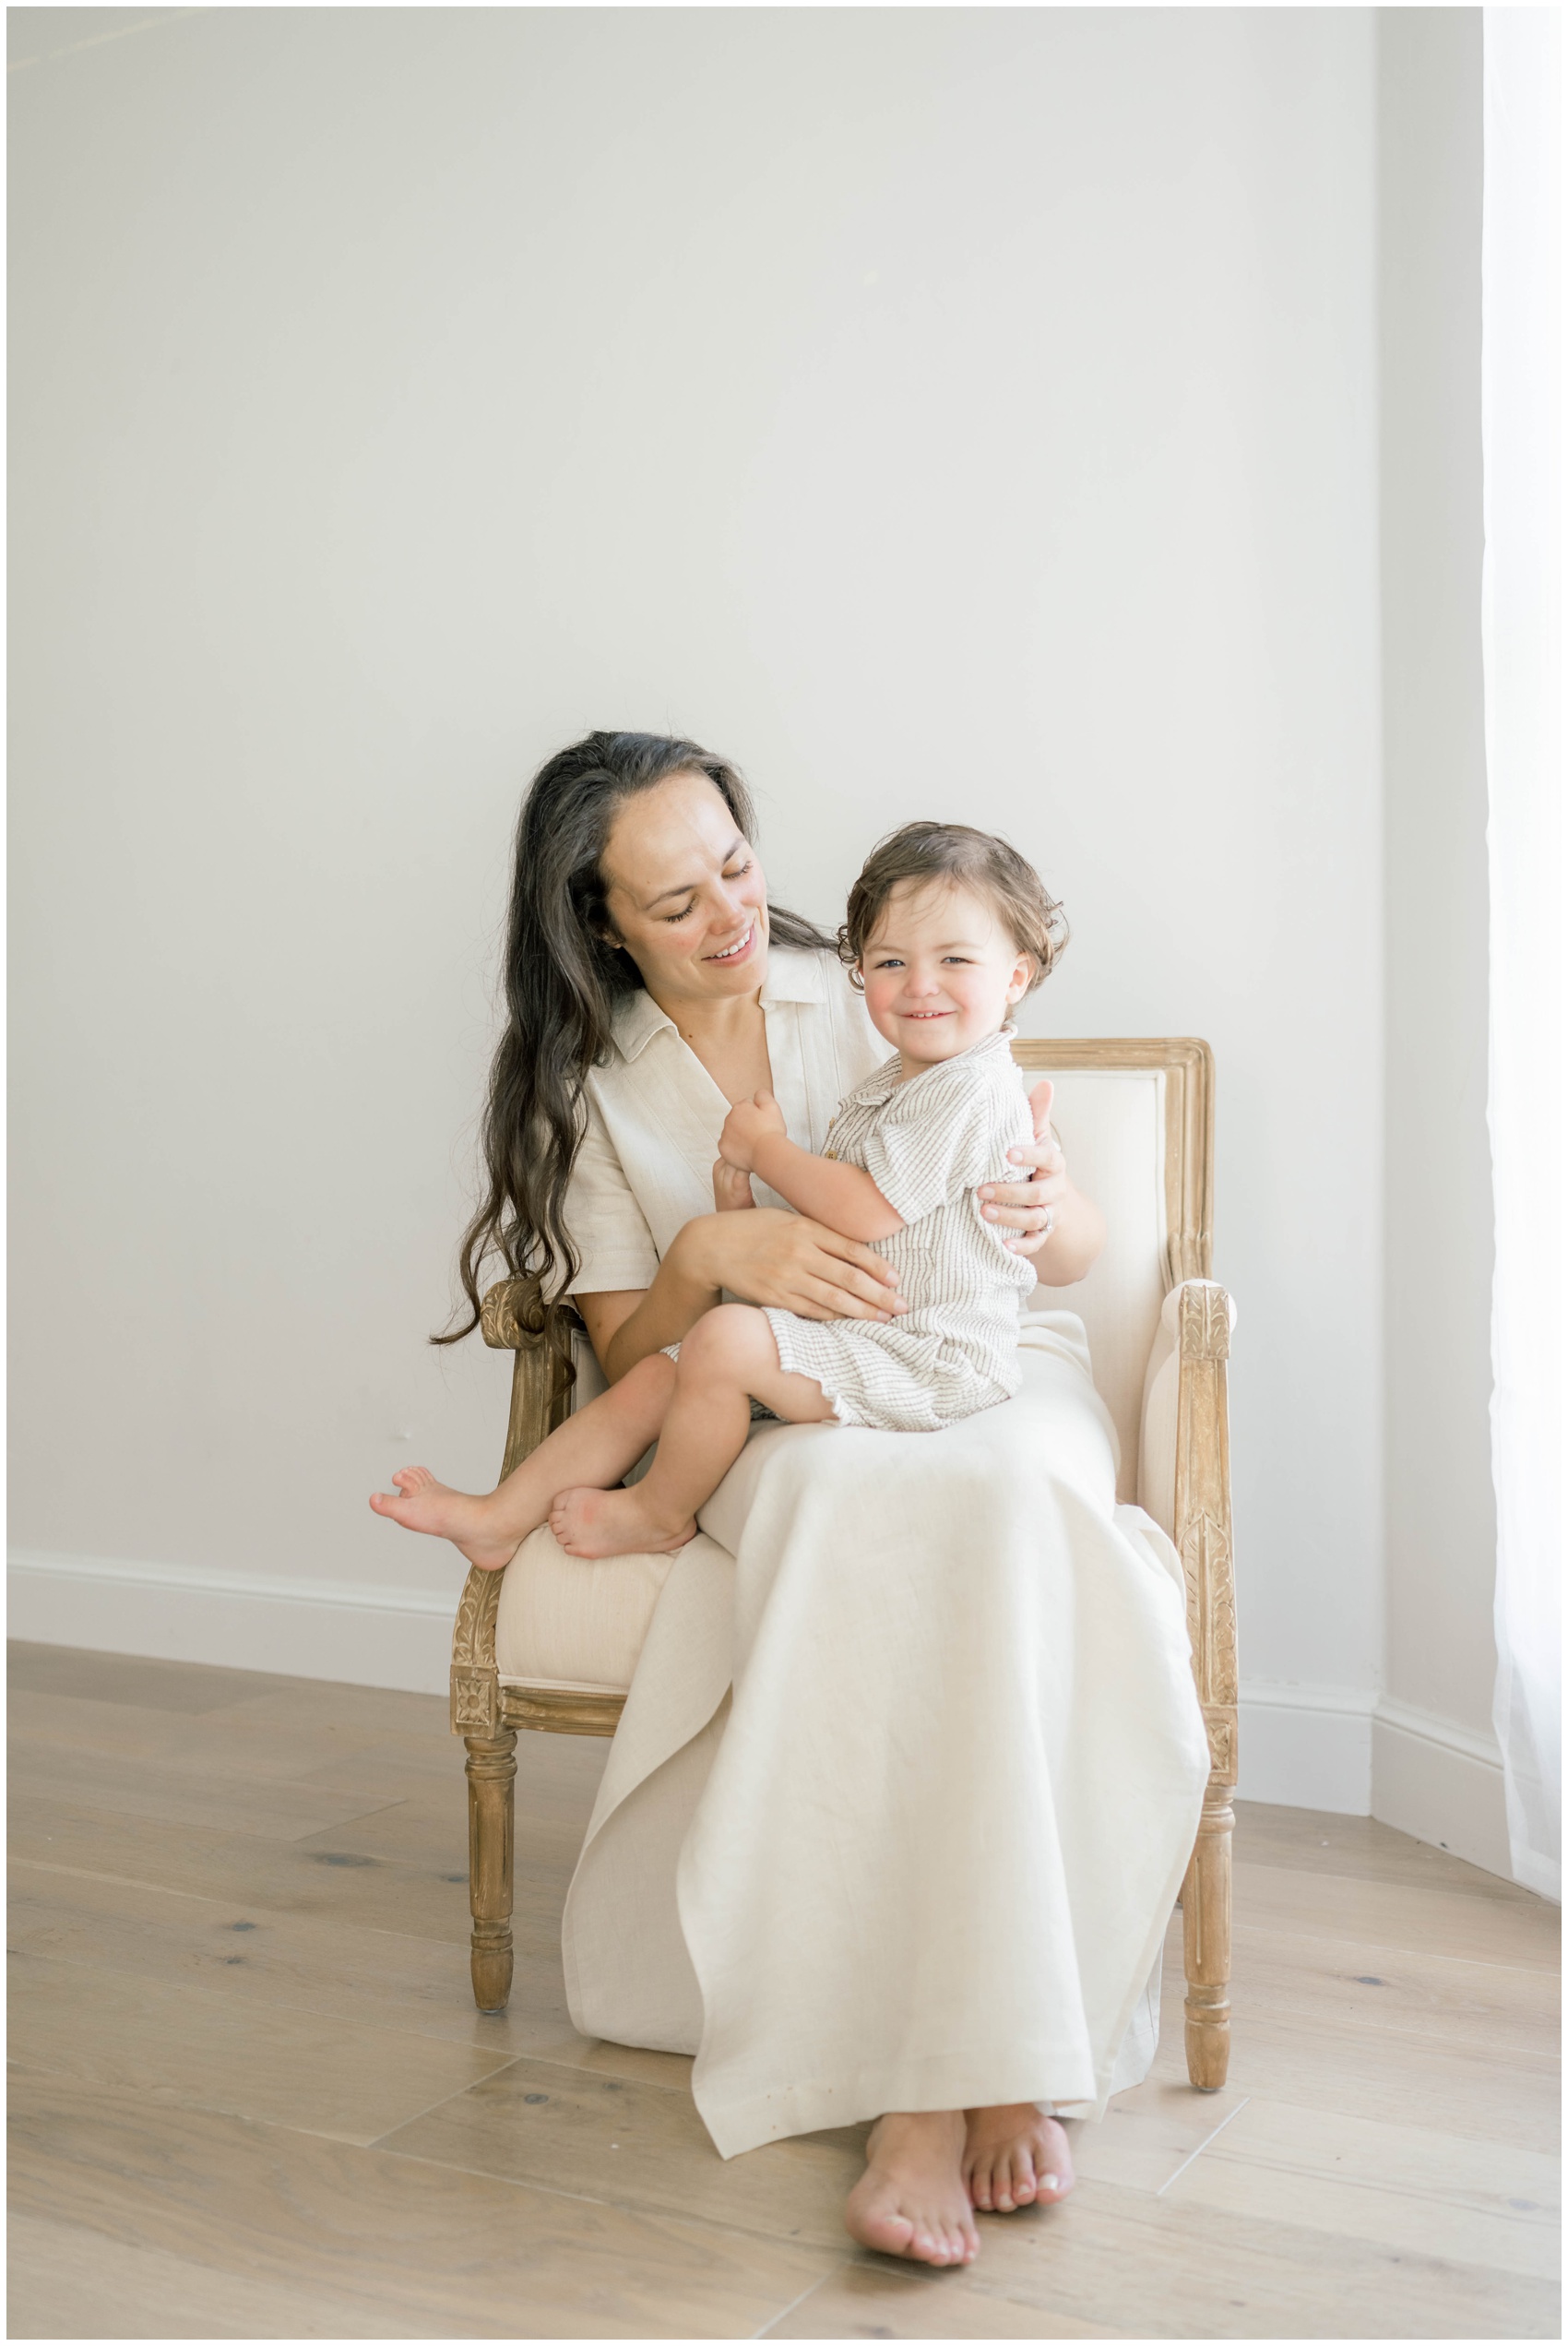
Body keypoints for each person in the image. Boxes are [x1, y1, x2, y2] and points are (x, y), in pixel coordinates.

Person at [374, 732, 1208, 2270]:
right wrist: (713, 1254)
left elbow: (1055, 1221)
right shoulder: (593, 1088)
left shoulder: (894, 974)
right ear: (600, 925)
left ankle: (995, 2043)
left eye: (740, 869)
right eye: (675, 900)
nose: (729, 917)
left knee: (1009, 1501)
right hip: (779, 1396)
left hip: (987, 1364)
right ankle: (932, 2081)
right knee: (852, 1516)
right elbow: (636, 1354)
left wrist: (1055, 1206)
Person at [370, 821, 1056, 1567]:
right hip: (867, 1333)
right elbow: (819, 1231)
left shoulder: (972, 1087)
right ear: (606, 928)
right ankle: (500, 1516)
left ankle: (659, 1512)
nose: (920, 984)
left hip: (931, 1355)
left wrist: (769, 1150)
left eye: (954, 959)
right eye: (891, 961)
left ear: (1016, 976)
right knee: (672, 1364)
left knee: (722, 1344)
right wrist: (733, 1211)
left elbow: (863, 1209)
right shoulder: (904, 1074)